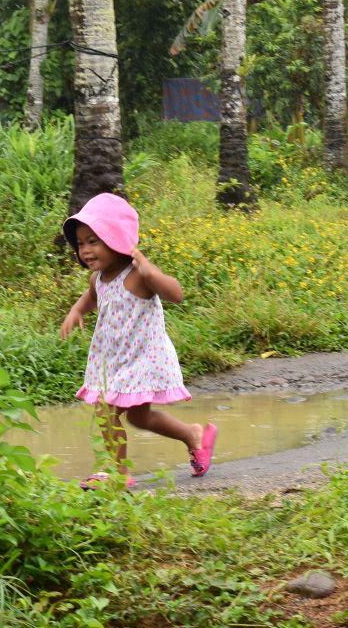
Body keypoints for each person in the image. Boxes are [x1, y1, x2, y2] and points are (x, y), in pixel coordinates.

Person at [59, 192, 216, 489]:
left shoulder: (139, 276)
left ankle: (118, 473)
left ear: (116, 239)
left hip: (144, 356)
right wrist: (77, 310)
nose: (86, 250)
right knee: (139, 419)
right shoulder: (97, 278)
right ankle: (192, 435)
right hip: (115, 358)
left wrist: (151, 272)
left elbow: (176, 294)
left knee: (106, 411)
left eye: (94, 241)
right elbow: (91, 297)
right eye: (81, 243)